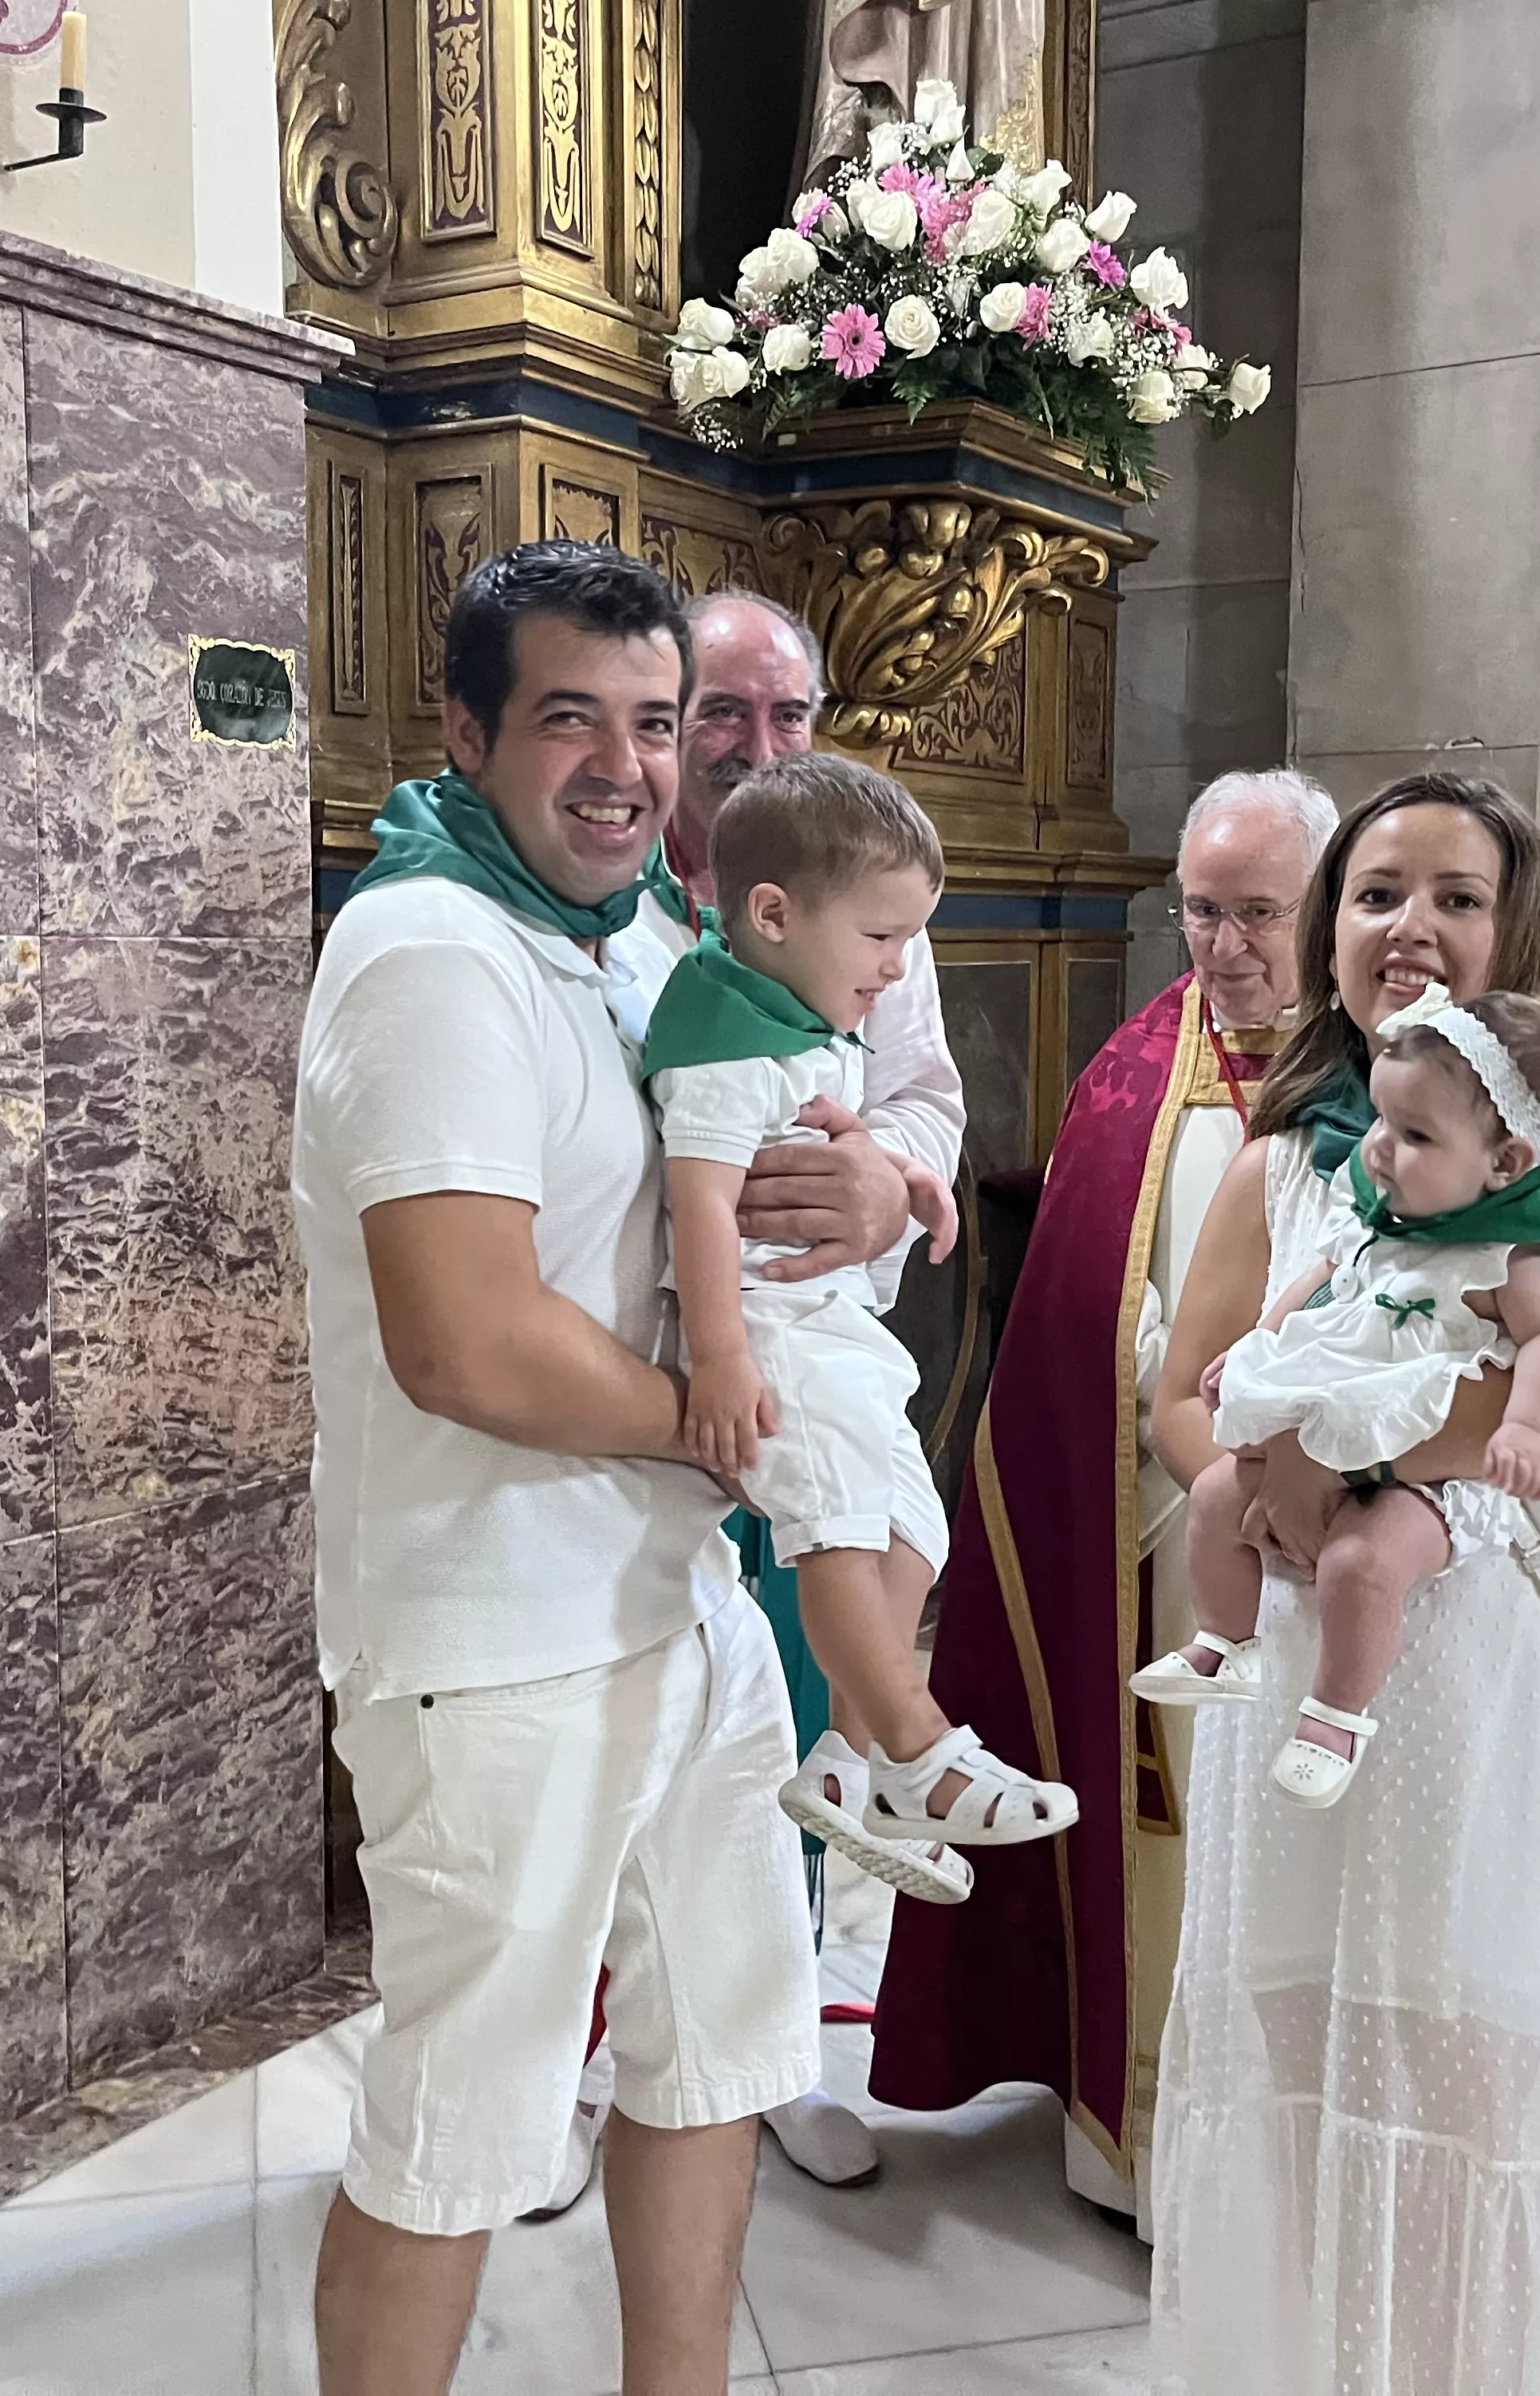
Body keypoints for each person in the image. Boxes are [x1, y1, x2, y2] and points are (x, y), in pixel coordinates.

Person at [293, 541, 813, 2396]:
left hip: (674, 1599)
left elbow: (709, 1203)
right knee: (467, 2120)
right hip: (498, 1634)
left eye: (657, 725)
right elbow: (467, 1334)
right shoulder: (430, 950)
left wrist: (838, 1192)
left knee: (720, 2051)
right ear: (467, 730)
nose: (625, 766)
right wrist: (722, 1422)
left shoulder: (645, 943)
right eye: (571, 719)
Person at [1147, 775, 1540, 2390]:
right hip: (1305, 1670)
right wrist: (1250, 1486)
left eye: (1457, 894)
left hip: (1485, 1676)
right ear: (1332, 929)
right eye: (1379, 893)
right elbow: (1182, 1392)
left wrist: (1334, 1465)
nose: (1415, 927)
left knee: (1480, 2086)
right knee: (1306, 2067)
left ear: (1519, 925)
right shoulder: (1281, 1161)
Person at [544, 590, 970, 2209]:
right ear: (665, 716)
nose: (759, 742)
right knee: (618, 1731)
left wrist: (886, 1188)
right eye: (724, 710)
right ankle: (585, 2066)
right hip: (632, 1391)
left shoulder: (862, 899)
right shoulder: (606, 888)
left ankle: (765, 2044)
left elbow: (922, 1096)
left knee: (789, 1716)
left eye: (790, 715)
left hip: (794, 1367)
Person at [868, 769, 1336, 2229]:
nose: (1222, 943)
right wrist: (1199, 1435)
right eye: (1199, 909)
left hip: (1337, 1547)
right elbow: (1090, 1318)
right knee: (1167, 1830)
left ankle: (1294, 2149)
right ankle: (1142, 2142)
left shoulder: (1391, 1073)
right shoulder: (1136, 1075)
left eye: (1257, 911)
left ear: (1318, 905)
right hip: (1166, 1532)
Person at [651, 751, 1077, 1892]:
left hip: (832, 1316)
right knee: (837, 1524)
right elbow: (700, 1204)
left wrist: (901, 1176)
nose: (896, 971)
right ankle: (918, 1743)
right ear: (776, 913)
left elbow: (893, 1107)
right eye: (882, 944)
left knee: (910, 1523)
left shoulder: (797, 990)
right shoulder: (726, 1033)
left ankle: (846, 1759)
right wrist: (723, 1359)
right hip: (770, 1325)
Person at [1139, 990, 1540, 1810]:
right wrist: (1253, 1356)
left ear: (1504, 1163)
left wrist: (1529, 1426)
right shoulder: (1369, 1223)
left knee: (1363, 1563)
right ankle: (1226, 1638)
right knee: (1215, 1495)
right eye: (1383, 1124)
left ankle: (1337, 1715)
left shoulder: (1509, 1260)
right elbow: (1310, 1289)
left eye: (1415, 1135)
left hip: (1422, 1472)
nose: (1381, 1150)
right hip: (1327, 1415)